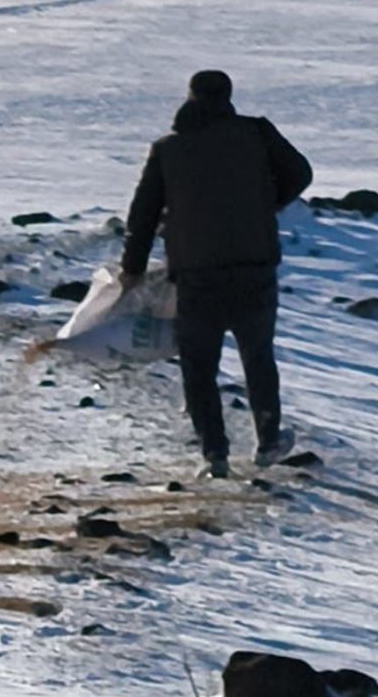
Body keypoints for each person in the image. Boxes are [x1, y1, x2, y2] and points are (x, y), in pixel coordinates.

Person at [119, 70, 312, 478]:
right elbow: (301, 173)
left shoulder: (169, 150)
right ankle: (268, 441)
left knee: (199, 366)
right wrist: (265, 204)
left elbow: (143, 214)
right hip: (253, 266)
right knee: (258, 356)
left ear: (189, 97)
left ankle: (215, 454)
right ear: (228, 96)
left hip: (196, 273)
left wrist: (131, 270)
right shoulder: (256, 133)